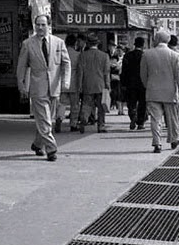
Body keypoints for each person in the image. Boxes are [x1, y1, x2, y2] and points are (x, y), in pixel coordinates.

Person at [17, 15, 70, 160]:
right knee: (45, 119)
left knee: (47, 119)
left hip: (54, 87)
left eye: (43, 25)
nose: (40, 27)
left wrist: (65, 81)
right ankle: (51, 149)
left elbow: (66, 63)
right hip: (37, 87)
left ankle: (37, 144)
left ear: (48, 25)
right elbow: (21, 66)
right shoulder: (28, 44)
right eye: (37, 25)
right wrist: (21, 84)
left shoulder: (58, 43)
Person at [140, 30, 179, 153]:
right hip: (170, 92)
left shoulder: (147, 54)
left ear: (157, 40)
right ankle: (174, 139)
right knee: (172, 118)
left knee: (155, 119)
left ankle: (157, 143)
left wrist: (148, 85)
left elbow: (143, 75)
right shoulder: (176, 56)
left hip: (152, 91)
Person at [76, 33, 111, 134]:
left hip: (87, 84)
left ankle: (84, 119)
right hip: (101, 84)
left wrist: (79, 86)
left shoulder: (83, 55)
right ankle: (101, 126)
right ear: (97, 44)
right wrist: (108, 86)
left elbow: (80, 72)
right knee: (101, 107)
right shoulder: (104, 56)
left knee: (86, 104)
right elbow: (106, 72)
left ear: (88, 44)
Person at [55, 34, 80, 132]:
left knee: (62, 103)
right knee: (75, 105)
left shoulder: (61, 53)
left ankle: (59, 118)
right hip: (74, 82)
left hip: (62, 82)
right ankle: (73, 124)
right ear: (75, 43)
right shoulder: (77, 55)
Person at [121, 36, 147, 130]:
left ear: (134, 44)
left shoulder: (127, 55)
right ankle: (140, 122)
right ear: (143, 45)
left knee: (131, 103)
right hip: (142, 83)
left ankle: (132, 115)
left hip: (130, 84)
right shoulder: (145, 56)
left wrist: (123, 83)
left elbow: (123, 71)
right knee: (142, 103)